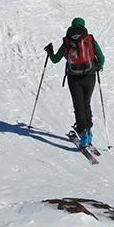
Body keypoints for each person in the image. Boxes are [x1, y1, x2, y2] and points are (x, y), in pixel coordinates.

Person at [45, 18, 105, 148]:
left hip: (74, 78)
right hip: (90, 76)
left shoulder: (68, 41)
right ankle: (89, 132)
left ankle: (82, 135)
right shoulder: (89, 39)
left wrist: (49, 51)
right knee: (86, 103)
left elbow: (55, 59)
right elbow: (102, 59)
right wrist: (97, 66)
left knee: (78, 106)